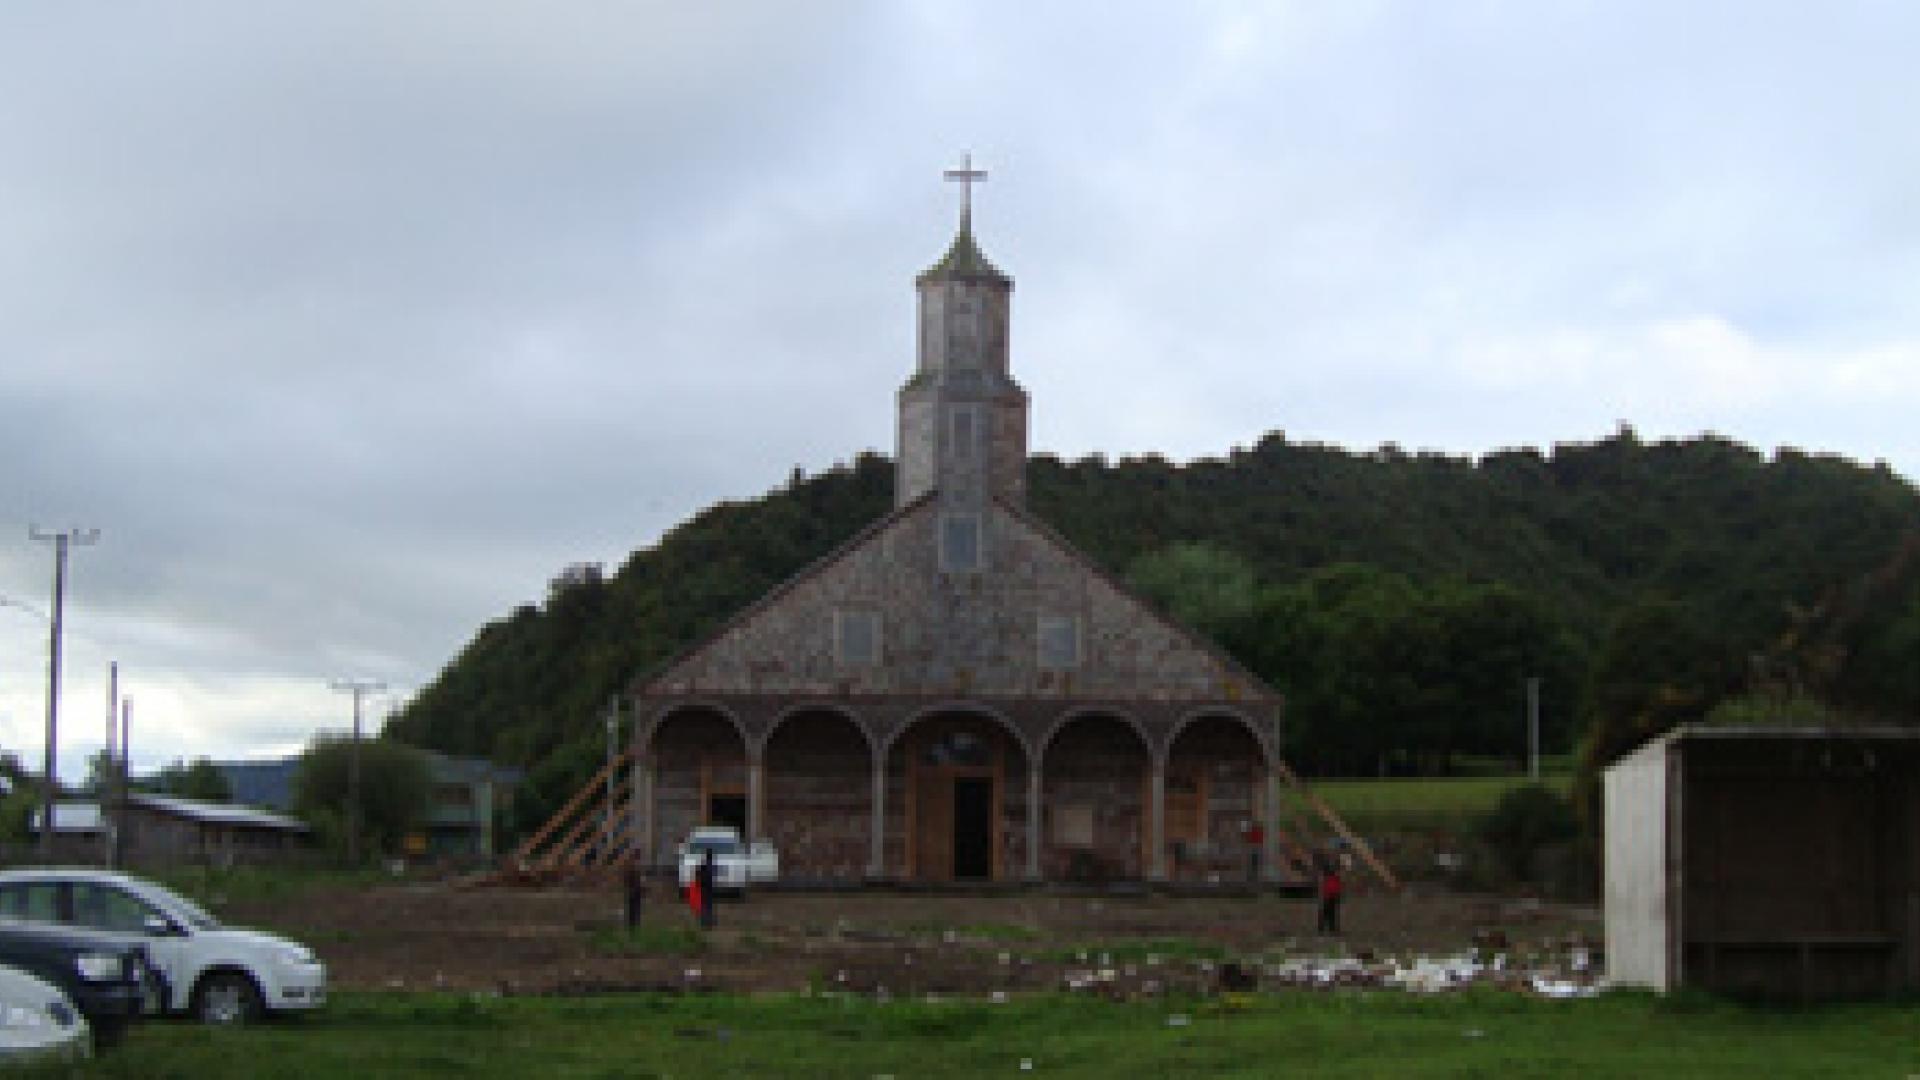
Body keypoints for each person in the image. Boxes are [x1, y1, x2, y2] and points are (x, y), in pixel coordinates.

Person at [1316, 854, 1343, 935]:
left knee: (1329, 912)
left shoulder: (1331, 876)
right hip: (1330, 894)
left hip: (1331, 894)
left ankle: (1328, 928)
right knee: (1329, 912)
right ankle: (1328, 928)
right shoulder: (1330, 876)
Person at [694, 848, 718, 930]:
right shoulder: (713, 865)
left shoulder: (703, 865)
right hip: (709, 886)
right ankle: (708, 921)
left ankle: (704, 921)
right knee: (709, 905)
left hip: (704, 886)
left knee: (704, 904)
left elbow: (699, 874)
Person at [622, 857, 646, 930]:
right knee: (633, 910)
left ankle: (635, 923)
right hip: (633, 892)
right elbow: (627, 882)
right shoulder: (631, 872)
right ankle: (633, 924)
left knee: (635, 910)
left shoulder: (636, 871)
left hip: (635, 892)